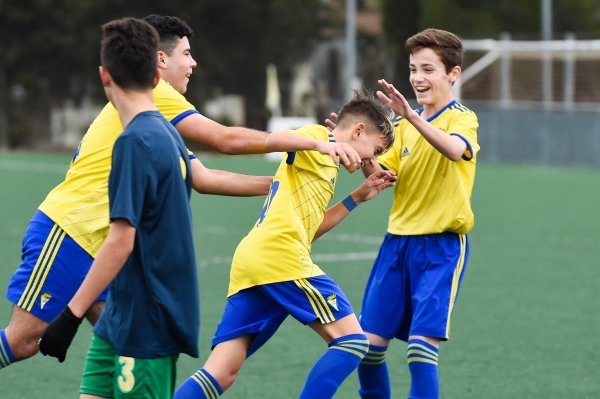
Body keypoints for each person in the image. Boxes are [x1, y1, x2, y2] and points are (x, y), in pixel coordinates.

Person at [0, 14, 275, 370]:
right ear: (161, 60)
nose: (194, 63)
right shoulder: (158, 95)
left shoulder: (159, 118)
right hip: (71, 232)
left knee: (124, 353)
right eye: (187, 54)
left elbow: (202, 177)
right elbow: (224, 139)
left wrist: (277, 186)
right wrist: (309, 144)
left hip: (105, 252)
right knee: (22, 341)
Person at [173, 91, 397, 399]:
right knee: (353, 341)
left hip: (257, 262)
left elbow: (310, 231)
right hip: (279, 257)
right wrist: (324, 142)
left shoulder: (325, 166)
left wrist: (357, 196)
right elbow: (280, 139)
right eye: (374, 151)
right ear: (357, 131)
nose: (369, 161)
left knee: (221, 373)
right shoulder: (317, 138)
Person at [37, 17, 199, 398]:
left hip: (146, 319)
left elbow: (120, 242)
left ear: (104, 76)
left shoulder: (135, 142)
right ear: (157, 77)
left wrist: (70, 316)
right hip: (121, 315)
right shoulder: (164, 132)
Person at [355, 29, 480, 399]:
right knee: (367, 348)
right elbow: (380, 176)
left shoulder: (462, 119)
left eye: (428, 68)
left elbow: (456, 151)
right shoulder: (401, 127)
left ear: (452, 74)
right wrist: (362, 151)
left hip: (440, 249)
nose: (417, 78)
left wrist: (411, 116)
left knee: (420, 350)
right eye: (413, 69)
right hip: (396, 246)